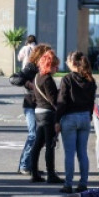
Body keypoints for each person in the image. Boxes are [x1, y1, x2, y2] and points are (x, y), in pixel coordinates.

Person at [9, 43, 53, 176]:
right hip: (30, 105)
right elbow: (13, 78)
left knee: (39, 137)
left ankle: (31, 165)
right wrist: (27, 83)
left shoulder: (43, 68)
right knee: (33, 135)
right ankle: (24, 165)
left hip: (40, 106)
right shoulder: (31, 67)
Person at [57, 51, 96, 193]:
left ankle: (68, 184)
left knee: (69, 153)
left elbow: (62, 101)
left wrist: (57, 120)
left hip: (70, 117)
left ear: (72, 62)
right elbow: (92, 100)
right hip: (85, 116)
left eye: (67, 60)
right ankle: (83, 183)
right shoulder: (90, 79)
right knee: (82, 152)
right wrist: (89, 115)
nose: (66, 62)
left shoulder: (67, 79)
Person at [28, 50, 61, 185]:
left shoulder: (37, 77)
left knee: (37, 144)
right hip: (48, 113)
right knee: (50, 144)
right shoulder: (47, 79)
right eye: (55, 66)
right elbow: (54, 100)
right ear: (49, 65)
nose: (57, 68)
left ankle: (34, 173)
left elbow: (35, 96)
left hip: (38, 112)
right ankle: (51, 174)